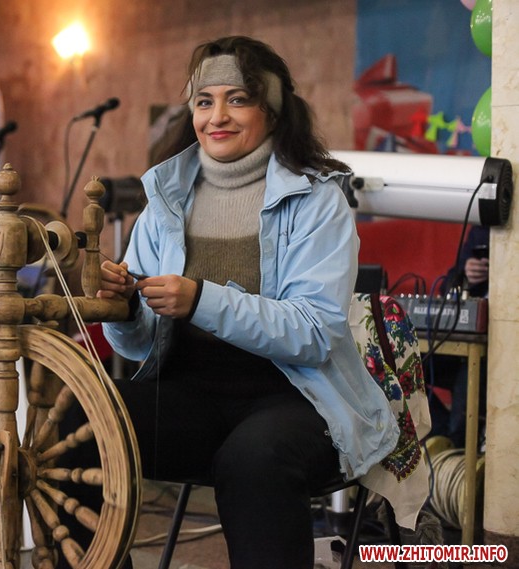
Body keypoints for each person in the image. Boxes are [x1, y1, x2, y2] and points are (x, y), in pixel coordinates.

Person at [92, 36, 421, 568]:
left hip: (297, 399)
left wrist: (200, 300)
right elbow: (139, 344)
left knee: (254, 460)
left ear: (273, 109)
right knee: (79, 421)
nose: (216, 117)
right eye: (204, 101)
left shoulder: (318, 201)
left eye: (238, 99)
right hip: (188, 400)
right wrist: (128, 309)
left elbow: (315, 333)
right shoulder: (164, 202)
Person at [429, 224, 489, 449]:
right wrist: (466, 274)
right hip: (463, 338)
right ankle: (440, 434)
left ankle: (456, 449)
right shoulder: (482, 230)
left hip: (495, 348)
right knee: (401, 364)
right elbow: (447, 284)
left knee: (470, 373)